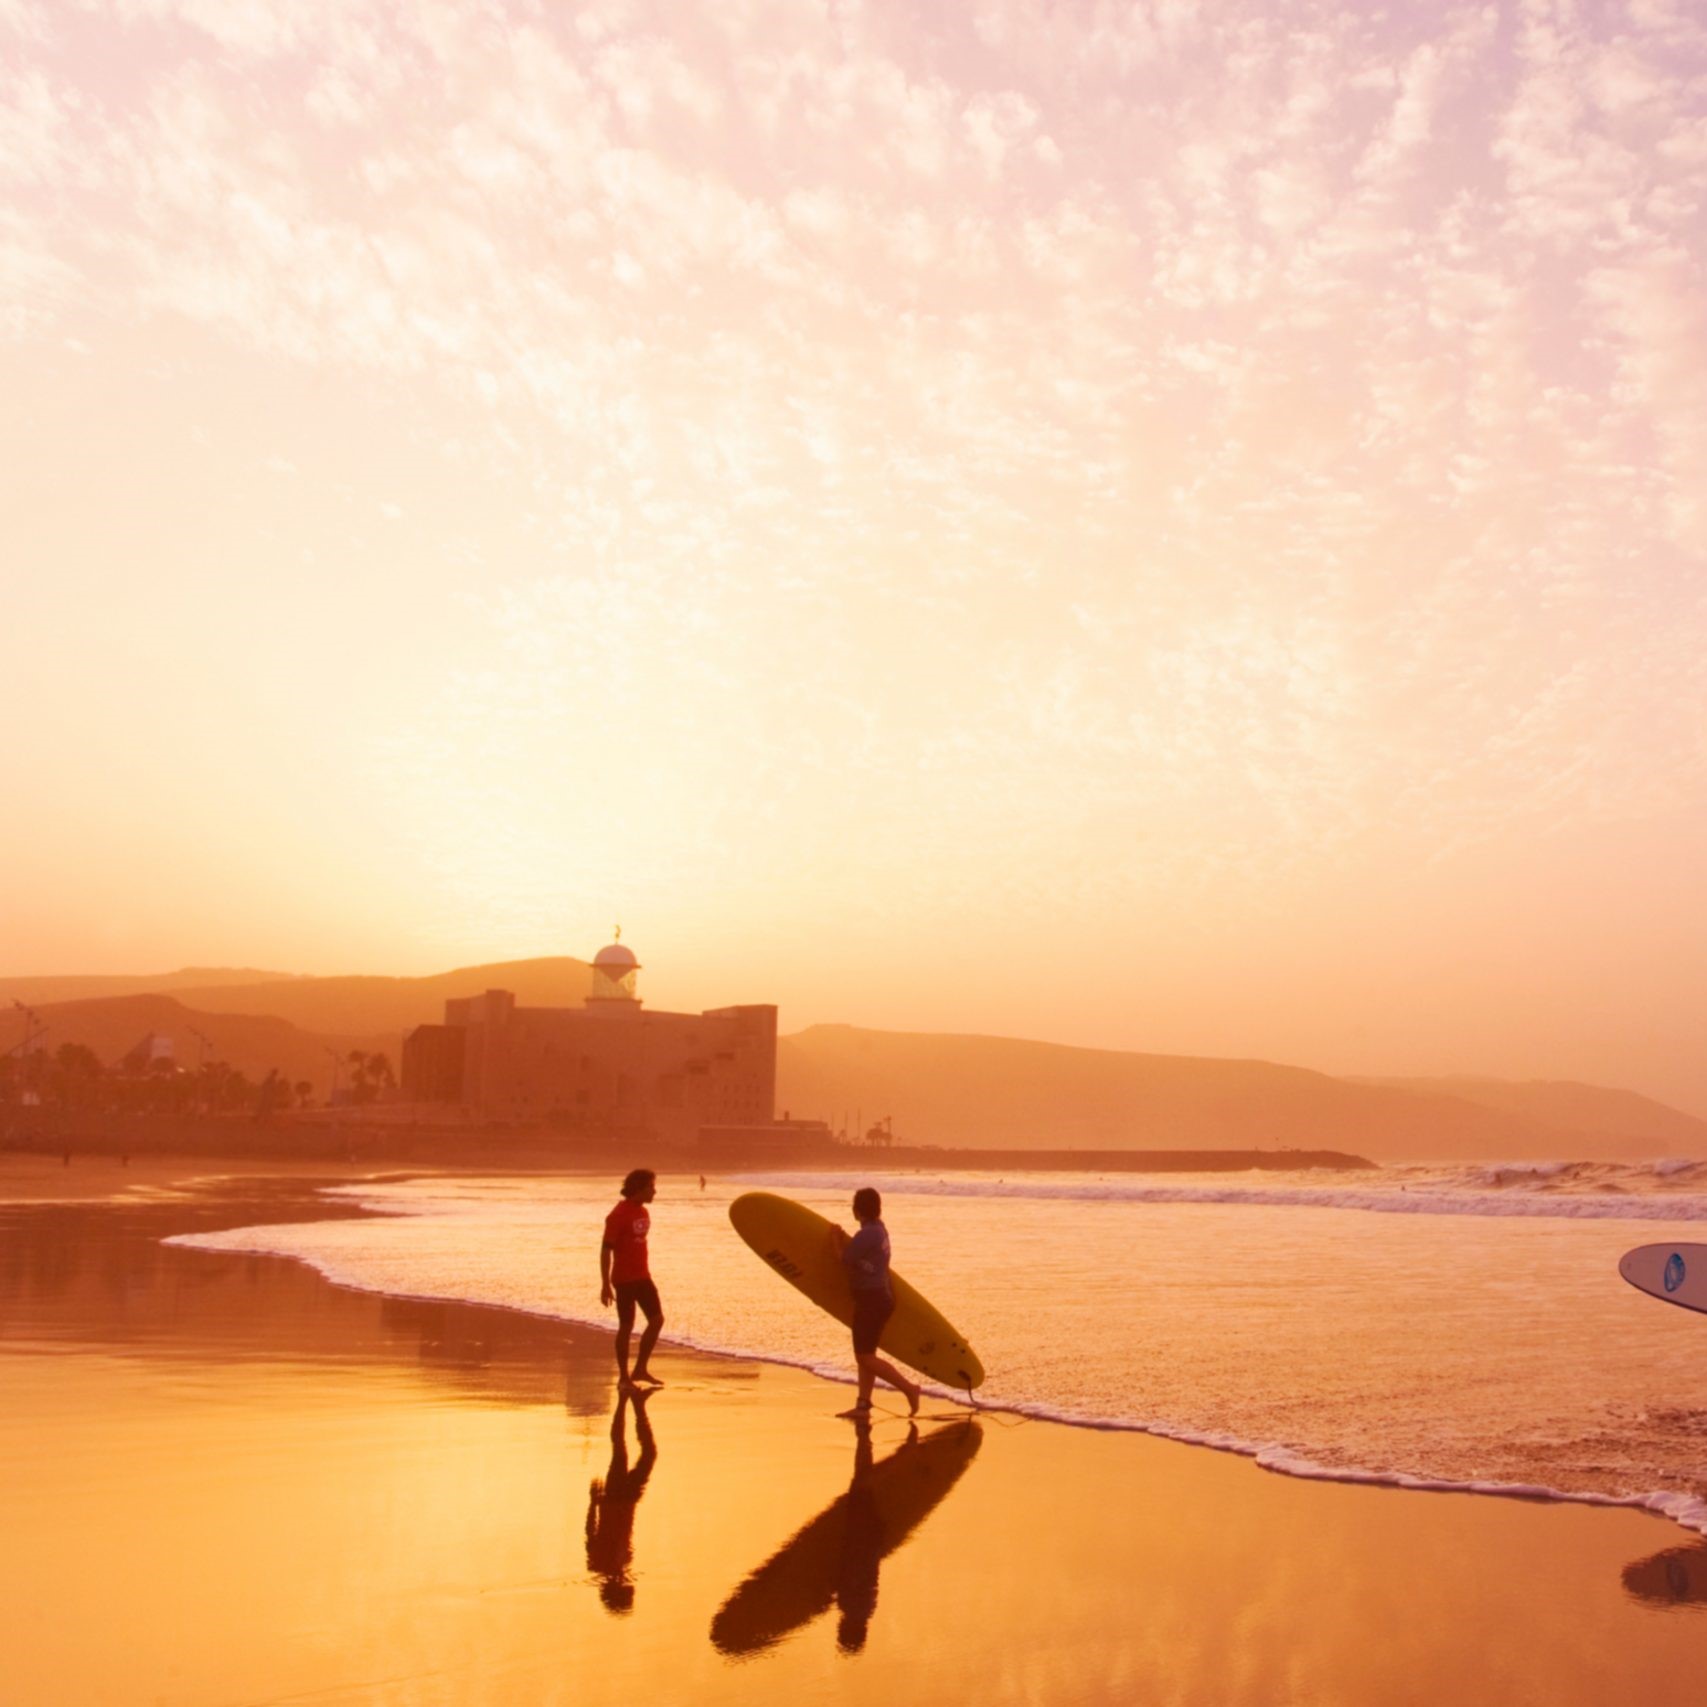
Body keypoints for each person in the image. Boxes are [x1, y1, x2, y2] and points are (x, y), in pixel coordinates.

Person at [833, 1187, 920, 1416]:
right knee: (867, 1354)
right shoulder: (880, 1231)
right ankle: (863, 1405)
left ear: (856, 1210)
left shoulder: (867, 1234)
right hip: (879, 1298)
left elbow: (845, 1260)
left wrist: (835, 1239)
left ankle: (909, 1389)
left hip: (871, 1300)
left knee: (864, 1356)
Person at [584, 1387, 657, 1614]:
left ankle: (626, 1403)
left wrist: (594, 1502)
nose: (629, 1584)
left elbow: (590, 1531)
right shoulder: (622, 1564)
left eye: (627, 1590)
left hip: (614, 1499)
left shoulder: (599, 1564)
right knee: (647, 1454)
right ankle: (637, 1405)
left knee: (621, 1449)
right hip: (629, 1500)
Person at [601, 1168, 664, 1389]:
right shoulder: (618, 1215)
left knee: (657, 1320)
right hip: (624, 1279)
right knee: (626, 1326)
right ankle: (623, 1377)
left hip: (643, 1276)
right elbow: (605, 1249)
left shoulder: (643, 1212)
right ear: (639, 1188)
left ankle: (640, 1369)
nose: (654, 1191)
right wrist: (605, 1284)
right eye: (651, 1187)